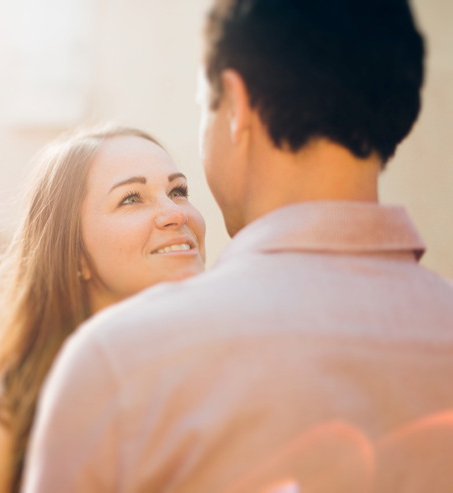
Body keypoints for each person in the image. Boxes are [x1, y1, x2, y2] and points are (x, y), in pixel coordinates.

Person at [23, 0, 453, 491]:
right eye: (132, 199)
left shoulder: (120, 366)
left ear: (235, 103)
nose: (174, 213)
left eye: (203, 106)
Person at [0, 125, 206, 493]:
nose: (175, 214)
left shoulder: (224, 383)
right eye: (132, 198)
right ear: (73, 253)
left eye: (178, 191)